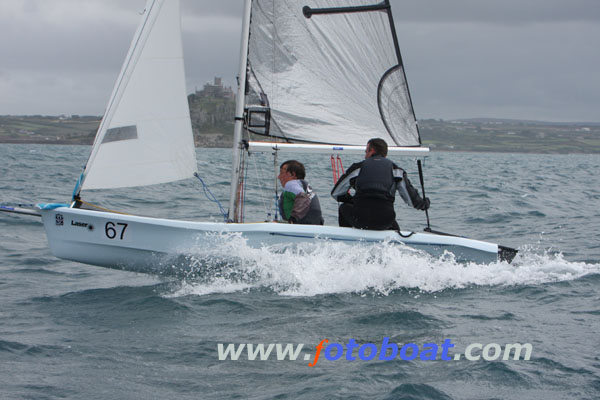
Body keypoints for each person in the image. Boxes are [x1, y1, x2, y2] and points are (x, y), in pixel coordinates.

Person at [331, 138, 430, 230]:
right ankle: (396, 244)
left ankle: (348, 239)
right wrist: (424, 204)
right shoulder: (396, 171)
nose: (365, 155)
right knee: (389, 218)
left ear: (372, 151)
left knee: (343, 208)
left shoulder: (358, 168)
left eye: (366, 152)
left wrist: (351, 200)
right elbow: (411, 201)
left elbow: (336, 193)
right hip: (385, 221)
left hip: (360, 219)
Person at [277, 160, 324, 225]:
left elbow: (303, 199)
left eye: (282, 173)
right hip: (317, 225)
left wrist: (293, 220)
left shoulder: (291, 184)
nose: (278, 177)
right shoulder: (304, 186)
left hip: (301, 226)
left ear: (293, 174)